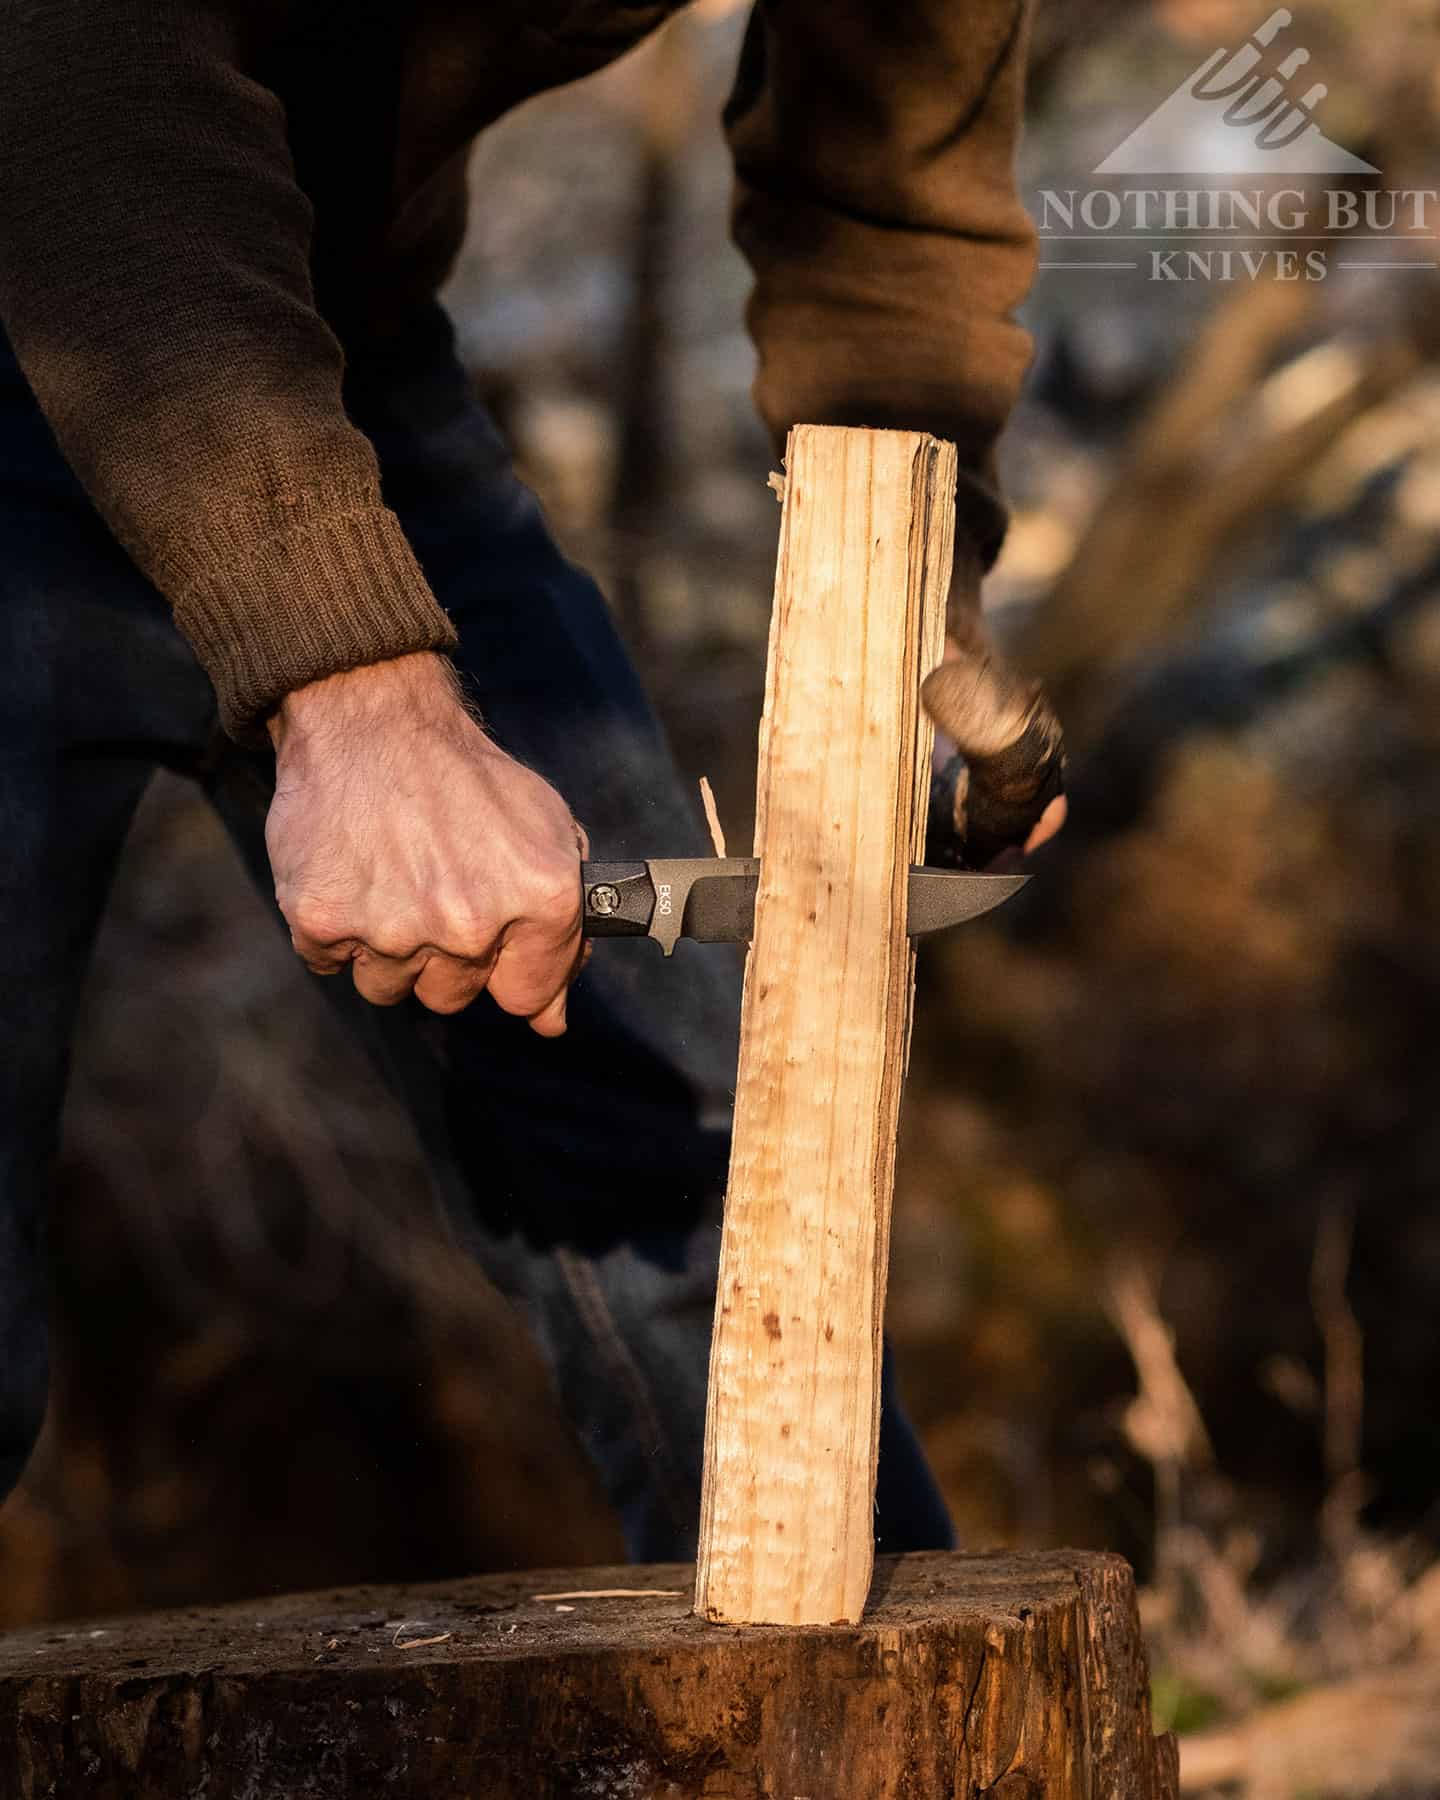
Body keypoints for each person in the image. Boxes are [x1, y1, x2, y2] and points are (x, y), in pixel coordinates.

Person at [0, 0, 1062, 1562]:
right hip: (87, 244)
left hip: (328, 345)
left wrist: (911, 579)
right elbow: (76, 62)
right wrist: (350, 682)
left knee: (708, 1201)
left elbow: (885, 167)